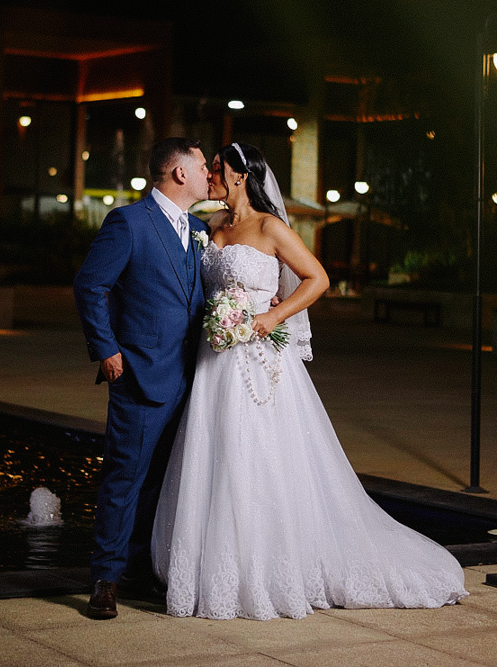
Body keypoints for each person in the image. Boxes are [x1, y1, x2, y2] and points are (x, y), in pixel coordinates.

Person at [152, 141, 468, 620]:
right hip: (212, 362)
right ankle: (218, 566)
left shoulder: (271, 227)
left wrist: (271, 317)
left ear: (239, 175)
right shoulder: (212, 227)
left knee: (254, 459)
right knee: (213, 457)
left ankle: (268, 570)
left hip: (257, 362)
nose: (209, 176)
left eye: (216, 169)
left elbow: (315, 279)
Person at [73, 137, 209, 619]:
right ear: (178, 174)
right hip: (140, 377)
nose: (208, 174)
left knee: (161, 482)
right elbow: (90, 284)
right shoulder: (128, 222)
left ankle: (139, 569)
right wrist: (105, 348)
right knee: (124, 478)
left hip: (193, 380)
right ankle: (104, 580)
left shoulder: (198, 228)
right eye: (200, 166)